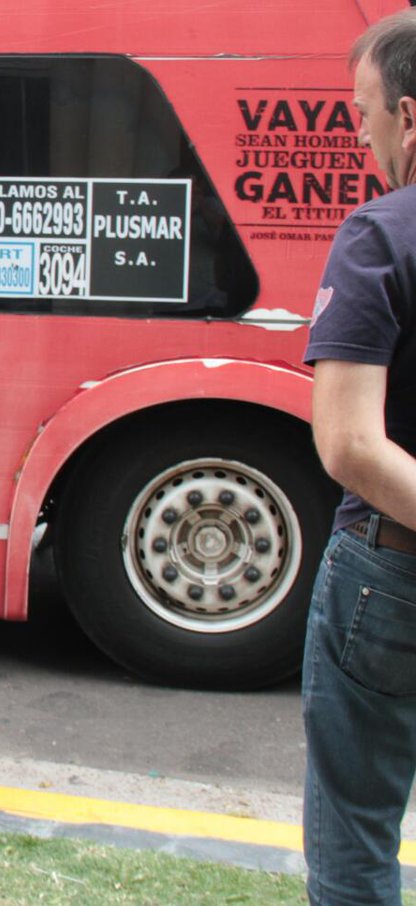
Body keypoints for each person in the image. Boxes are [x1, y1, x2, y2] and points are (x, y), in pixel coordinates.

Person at [302, 9, 416, 904]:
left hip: (391, 578)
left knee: (354, 847)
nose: (360, 131)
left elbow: (349, 444)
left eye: (363, 111)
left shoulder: (382, 232)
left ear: (408, 119)